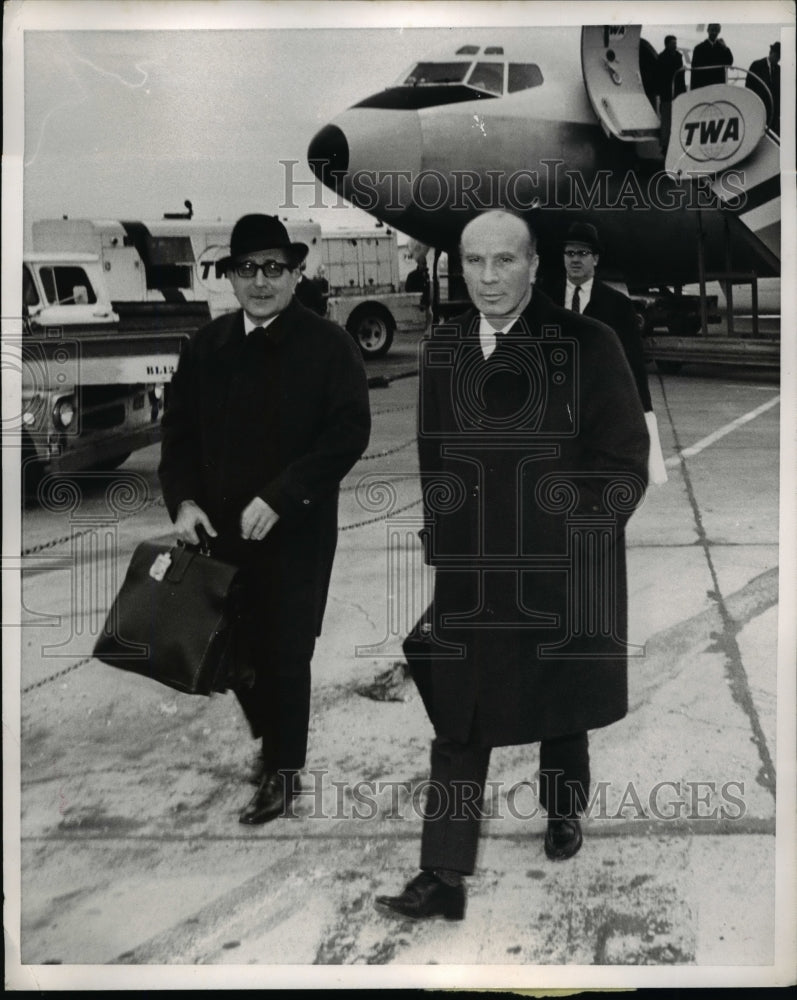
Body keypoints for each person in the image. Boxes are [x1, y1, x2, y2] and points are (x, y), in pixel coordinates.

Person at [376, 210, 649, 920]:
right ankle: (442, 875)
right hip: (473, 573)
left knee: (559, 707)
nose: (489, 278)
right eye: (474, 263)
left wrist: (562, 532)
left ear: (534, 265)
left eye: (504, 262)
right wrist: (443, 535)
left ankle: (563, 809)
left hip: (559, 568)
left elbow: (622, 463)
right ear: (457, 268)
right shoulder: (443, 350)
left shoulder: (588, 343)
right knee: (460, 716)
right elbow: (434, 456)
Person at [158, 213, 370, 825]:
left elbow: (348, 432)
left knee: (285, 653)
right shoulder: (206, 348)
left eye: (273, 269)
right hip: (220, 536)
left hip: (295, 535)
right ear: (230, 278)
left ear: (296, 274)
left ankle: (283, 770)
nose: (260, 281)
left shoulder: (330, 347)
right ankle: (274, 741)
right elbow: (177, 435)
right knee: (238, 655)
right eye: (247, 269)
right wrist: (184, 502)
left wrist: (282, 496)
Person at [546, 222, 667, 485]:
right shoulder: (545, 300)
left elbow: (633, 365)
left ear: (596, 259)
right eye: (570, 253)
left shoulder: (618, 306)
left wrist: (644, 412)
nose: (575, 260)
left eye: (583, 253)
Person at [656, 35, 686, 154]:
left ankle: (675, 143)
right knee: (666, 120)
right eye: (673, 43)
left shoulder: (678, 56)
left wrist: (682, 91)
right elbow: (660, 76)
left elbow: (681, 77)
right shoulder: (662, 58)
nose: (675, 45)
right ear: (667, 44)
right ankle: (665, 144)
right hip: (667, 93)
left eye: (675, 43)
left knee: (676, 118)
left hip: (677, 92)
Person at [746, 42, 780, 135]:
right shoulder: (756, 65)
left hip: (773, 113)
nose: (778, 59)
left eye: (779, 57)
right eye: (777, 55)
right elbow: (749, 87)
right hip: (759, 108)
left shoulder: (779, 70)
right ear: (771, 52)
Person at [690, 24, 733, 90]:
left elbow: (729, 62)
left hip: (718, 82)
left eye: (716, 30)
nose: (714, 33)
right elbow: (695, 67)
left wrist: (726, 48)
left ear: (719, 32)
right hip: (704, 83)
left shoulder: (722, 48)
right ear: (708, 30)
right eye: (712, 30)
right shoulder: (699, 48)